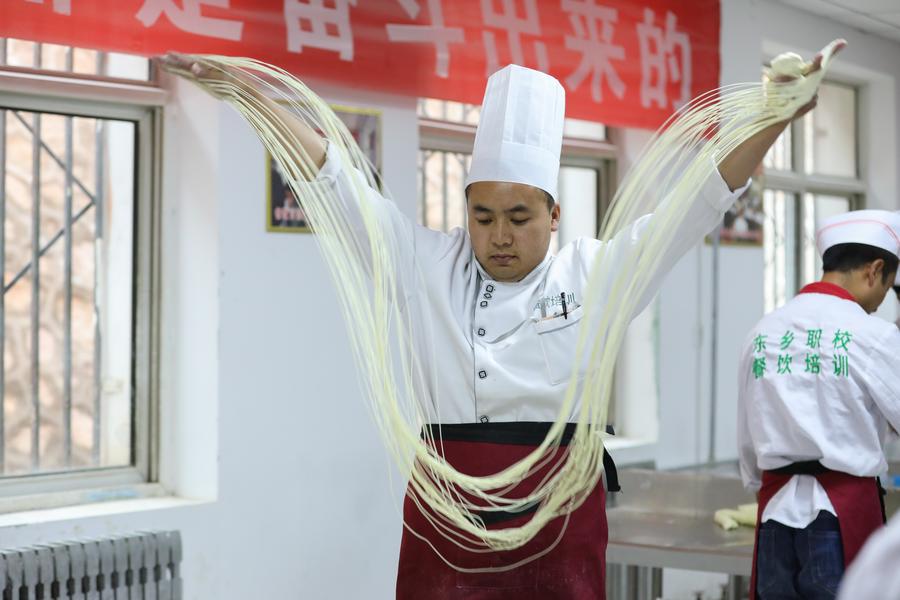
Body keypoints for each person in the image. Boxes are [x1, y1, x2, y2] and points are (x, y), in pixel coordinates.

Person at [161, 48, 830, 599]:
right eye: (483, 218)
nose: (500, 237)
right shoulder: (422, 264)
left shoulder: (597, 274)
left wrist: (777, 114)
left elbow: (701, 198)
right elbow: (336, 182)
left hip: (557, 508)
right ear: (465, 211)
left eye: (520, 219)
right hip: (446, 503)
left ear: (555, 214)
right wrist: (250, 95)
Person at [738, 209, 900, 599]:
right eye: (888, 287)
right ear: (874, 270)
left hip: (774, 515)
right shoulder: (872, 334)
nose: (880, 301)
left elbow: (746, 440)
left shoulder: (764, 331)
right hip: (841, 517)